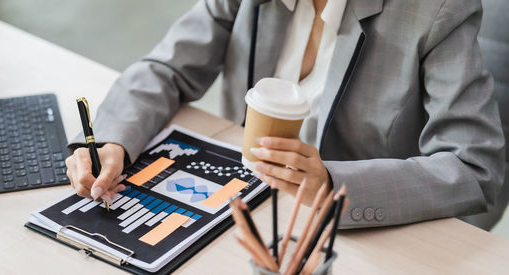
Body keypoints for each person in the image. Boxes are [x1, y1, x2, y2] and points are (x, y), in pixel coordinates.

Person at [65, 0, 506, 229]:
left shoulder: (439, 10)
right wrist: (112, 139)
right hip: (244, 212)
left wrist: (332, 184)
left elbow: (474, 167)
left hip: (346, 227)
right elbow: (165, 69)